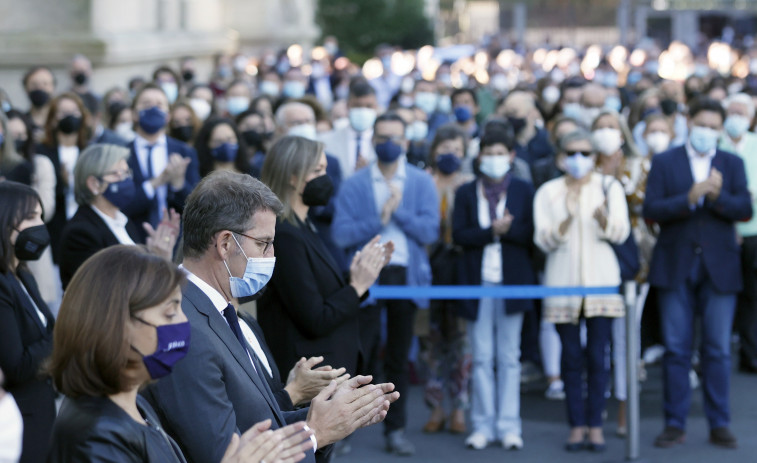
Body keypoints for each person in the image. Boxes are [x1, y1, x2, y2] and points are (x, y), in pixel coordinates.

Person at [142, 171, 399, 463]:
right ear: (225, 244)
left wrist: (333, 413)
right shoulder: (182, 328)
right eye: (263, 243)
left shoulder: (222, 313)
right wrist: (315, 432)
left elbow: (256, 419)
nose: (272, 255)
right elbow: (220, 454)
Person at [48, 245, 315, 463]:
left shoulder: (133, 405)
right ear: (116, 325)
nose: (182, 322)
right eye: (169, 312)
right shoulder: (96, 435)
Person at [644, 98, 751, 449]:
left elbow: (745, 208)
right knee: (676, 349)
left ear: (720, 130)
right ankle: (674, 422)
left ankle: (719, 422)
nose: (706, 131)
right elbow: (652, 209)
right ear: (688, 122)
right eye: (701, 123)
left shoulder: (731, 163)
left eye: (713, 126)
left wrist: (718, 197)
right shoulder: (665, 161)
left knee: (718, 349)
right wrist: (688, 198)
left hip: (720, 267)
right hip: (675, 265)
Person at [332, 112, 440, 456]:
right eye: (382, 138)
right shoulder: (355, 183)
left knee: (398, 355)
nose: (389, 144)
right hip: (367, 274)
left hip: (405, 277)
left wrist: (399, 213)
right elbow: (340, 233)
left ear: (406, 142)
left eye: (395, 138)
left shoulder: (421, 182)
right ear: (373, 140)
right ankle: (345, 428)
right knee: (361, 353)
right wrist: (378, 219)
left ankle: (396, 430)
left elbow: (430, 232)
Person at [258, 135, 391, 381]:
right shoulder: (284, 235)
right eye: (317, 170)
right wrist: (357, 285)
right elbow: (315, 318)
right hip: (311, 376)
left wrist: (357, 273)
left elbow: (318, 290)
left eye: (325, 169)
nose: (325, 178)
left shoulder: (303, 226)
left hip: (326, 370)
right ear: (292, 176)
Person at [533, 129, 630, 452]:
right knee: (571, 358)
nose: (579, 159)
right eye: (572, 152)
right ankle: (576, 426)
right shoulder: (548, 191)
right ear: (561, 157)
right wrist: (564, 224)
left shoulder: (609, 186)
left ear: (594, 156)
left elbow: (621, 232)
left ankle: (596, 425)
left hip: (602, 284)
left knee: (598, 358)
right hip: (562, 284)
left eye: (586, 153)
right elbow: (542, 239)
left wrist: (603, 220)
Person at [453, 127, 536, 451]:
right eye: (489, 153)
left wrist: (507, 230)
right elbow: (459, 235)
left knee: (510, 356)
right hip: (477, 282)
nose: (495, 159)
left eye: (501, 153)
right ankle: (483, 425)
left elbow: (531, 233)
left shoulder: (524, 190)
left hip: (513, 280)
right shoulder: (465, 192)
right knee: (482, 355)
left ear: (512, 157)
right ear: (479, 157)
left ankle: (510, 425)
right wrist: (491, 231)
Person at [59, 143, 180, 289]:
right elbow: (105, 289)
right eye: (117, 174)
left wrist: (158, 258)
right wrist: (154, 263)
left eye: (126, 173)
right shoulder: (80, 233)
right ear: (94, 184)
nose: (125, 179)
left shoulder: (123, 221)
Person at [420, 124, 473, 435]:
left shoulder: (469, 185)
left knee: (462, 345)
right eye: (443, 150)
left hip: (461, 271)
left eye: (455, 150)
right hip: (428, 271)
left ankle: (460, 409)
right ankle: (436, 407)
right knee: (431, 343)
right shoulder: (424, 183)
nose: (449, 156)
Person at [0, 182, 56, 463]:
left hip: (43, 412)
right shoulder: (1, 286)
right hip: (20, 422)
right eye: (32, 217)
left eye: (41, 217)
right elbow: (17, 366)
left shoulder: (22, 274)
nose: (41, 225)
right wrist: (63, 334)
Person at [122, 83, 200, 238]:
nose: (153, 109)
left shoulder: (184, 151)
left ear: (168, 115)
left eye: (159, 104)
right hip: (136, 239)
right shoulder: (122, 154)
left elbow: (197, 206)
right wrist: (154, 183)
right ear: (134, 114)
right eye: (146, 104)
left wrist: (178, 184)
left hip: (179, 240)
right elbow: (122, 206)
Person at [719, 93, 757, 374]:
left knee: (752, 295)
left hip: (753, 232)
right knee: (722, 292)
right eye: (731, 111)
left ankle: (750, 351)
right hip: (721, 230)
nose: (736, 117)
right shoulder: (714, 145)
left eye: (741, 113)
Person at [36, 92, 92, 264]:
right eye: (62, 112)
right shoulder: (41, 152)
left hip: (85, 234)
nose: (69, 117)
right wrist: (62, 182)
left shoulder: (90, 152)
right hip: (54, 234)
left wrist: (73, 183)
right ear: (53, 119)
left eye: (74, 112)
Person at [319, 79, 378, 179]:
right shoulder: (325, 141)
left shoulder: (385, 142)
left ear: (376, 107)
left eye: (368, 106)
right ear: (347, 106)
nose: (363, 110)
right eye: (357, 106)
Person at [23, 65, 56, 142]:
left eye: (45, 84)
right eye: (34, 84)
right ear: (26, 88)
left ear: (53, 88)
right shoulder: (22, 122)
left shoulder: (58, 122)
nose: (40, 88)